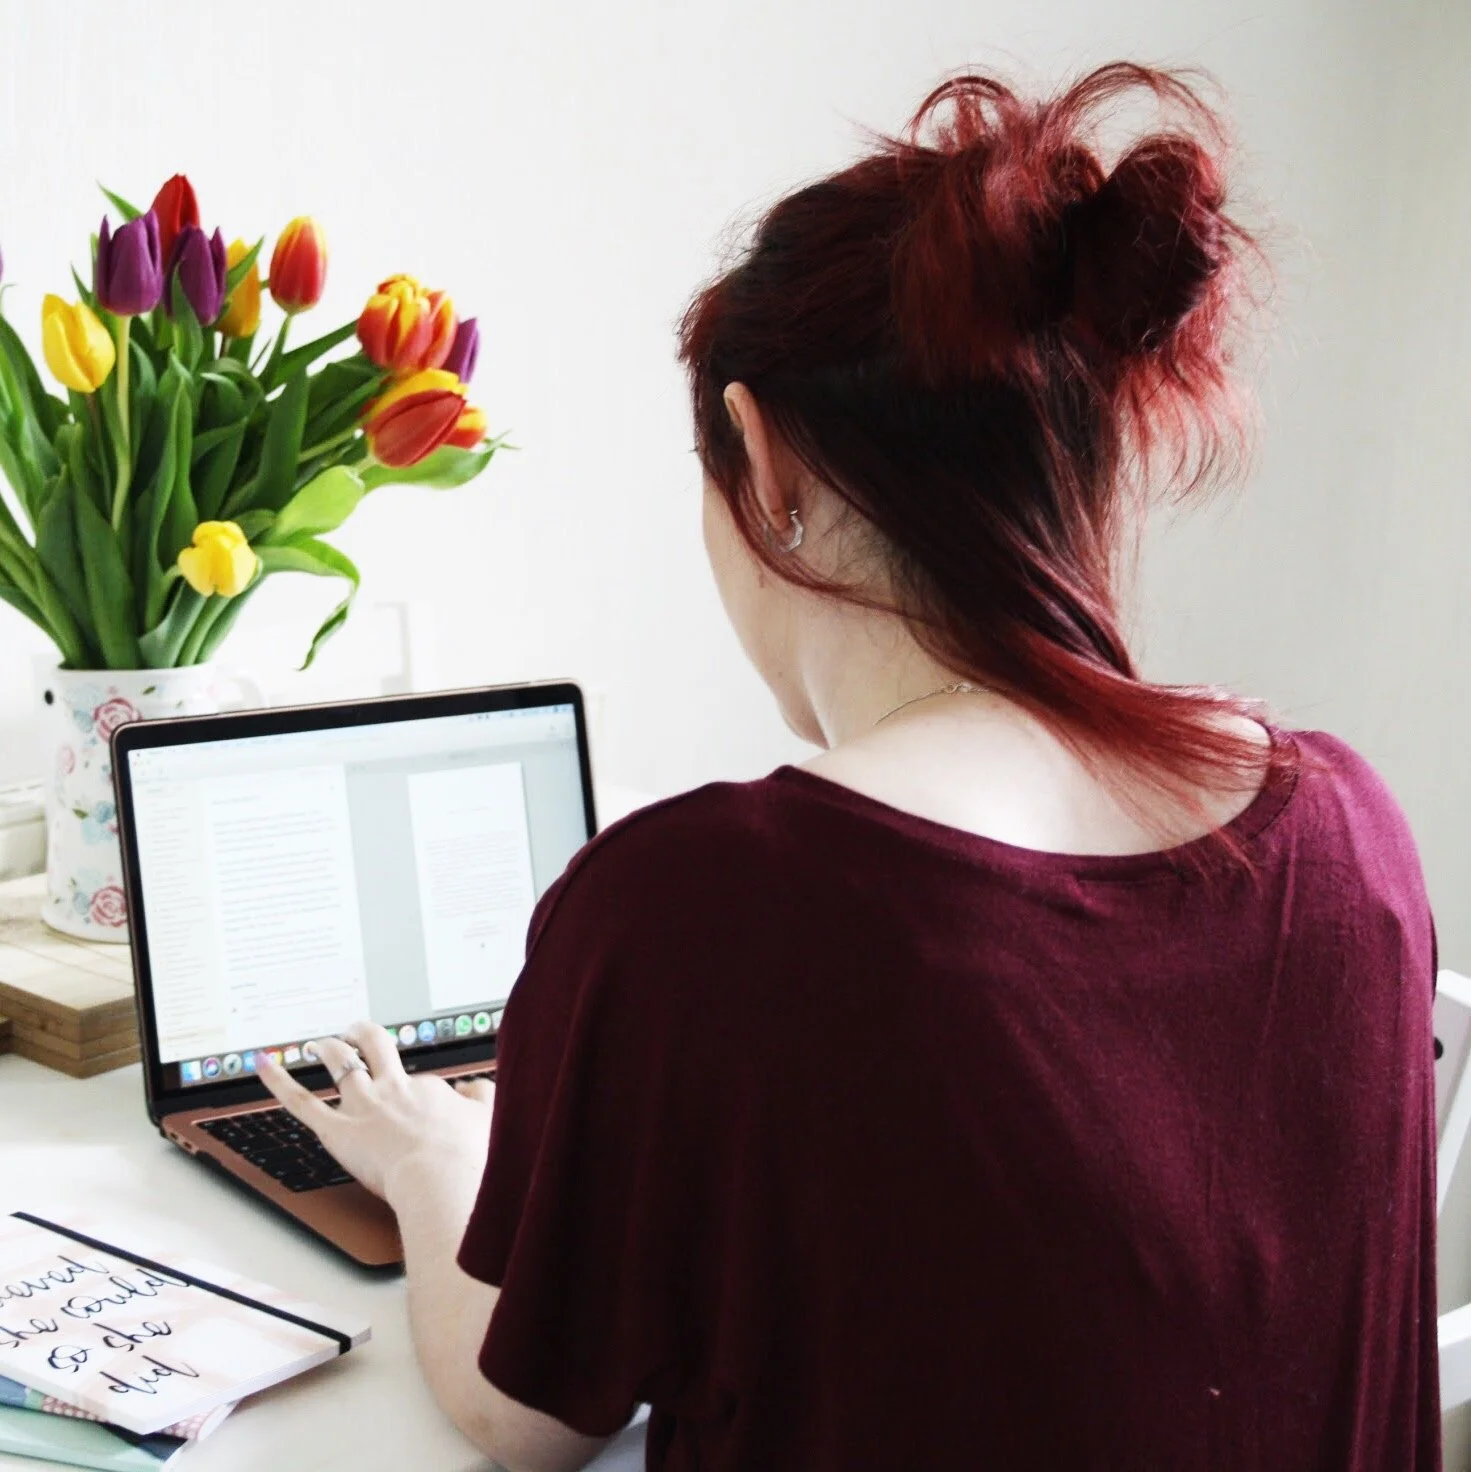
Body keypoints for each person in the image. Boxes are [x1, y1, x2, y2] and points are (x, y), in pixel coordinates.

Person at [259, 61, 1440, 1472]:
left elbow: (529, 1424)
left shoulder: (694, 914)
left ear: (765, 467)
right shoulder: (1348, 827)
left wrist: (429, 1158)